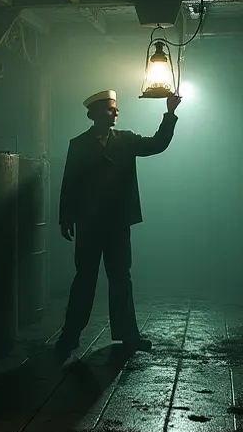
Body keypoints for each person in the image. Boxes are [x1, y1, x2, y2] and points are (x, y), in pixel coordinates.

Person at [55, 89, 182, 357]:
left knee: (117, 279)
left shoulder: (123, 140)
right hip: (94, 224)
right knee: (87, 279)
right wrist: (66, 217)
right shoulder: (80, 144)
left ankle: (123, 336)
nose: (116, 112)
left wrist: (170, 114)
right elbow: (70, 183)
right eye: (111, 109)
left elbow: (158, 143)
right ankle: (72, 334)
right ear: (97, 114)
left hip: (113, 224)